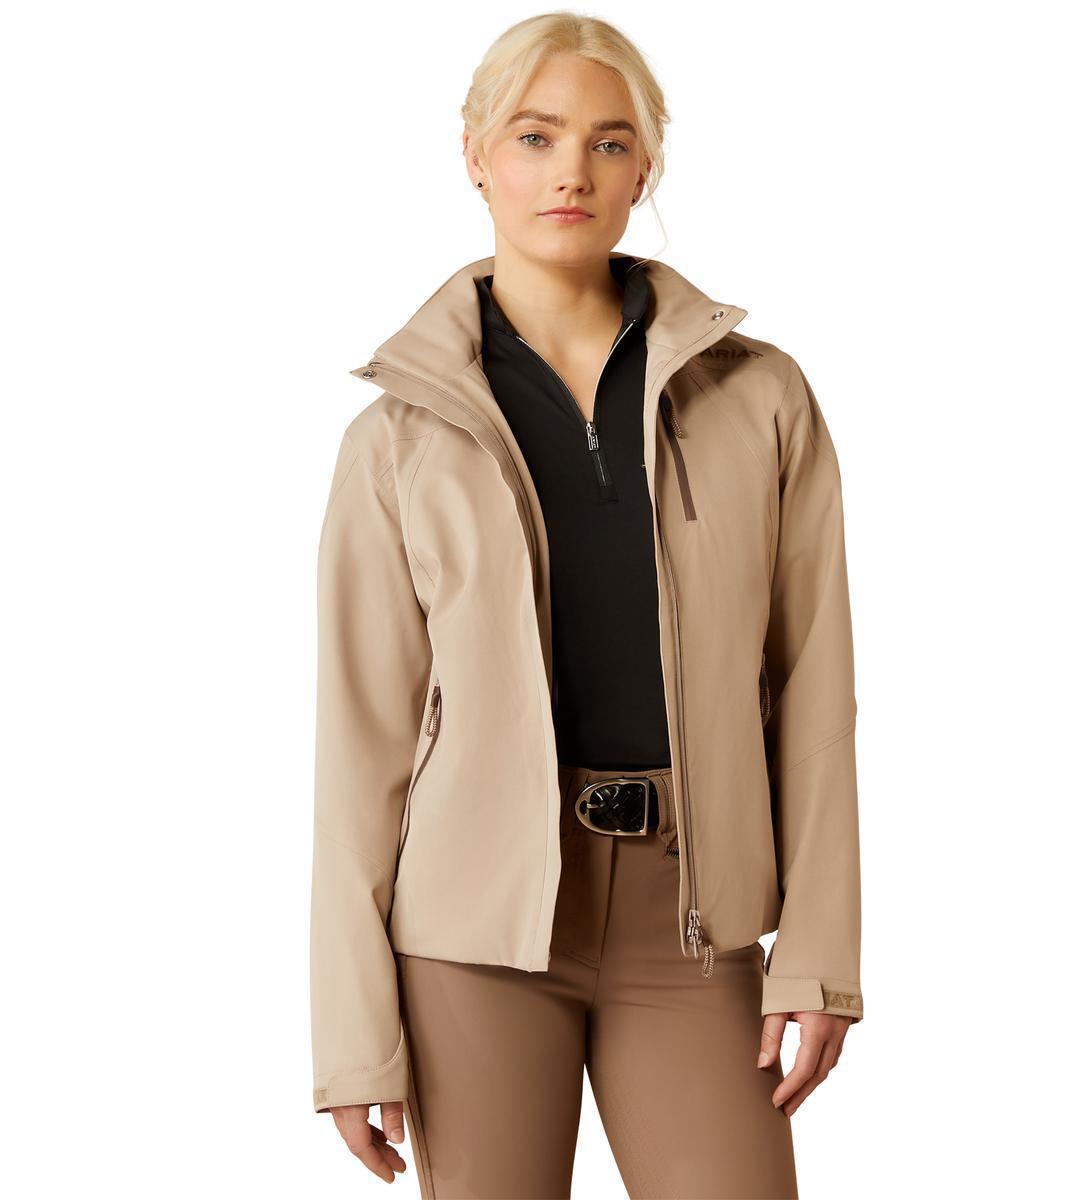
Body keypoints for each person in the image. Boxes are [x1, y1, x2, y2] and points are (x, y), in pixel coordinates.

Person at [309, 13, 864, 1198]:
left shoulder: (759, 398)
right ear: (474, 154)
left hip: (695, 918)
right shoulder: (398, 440)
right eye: (535, 135)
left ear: (643, 168)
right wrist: (353, 1027)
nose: (571, 170)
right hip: (474, 935)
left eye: (609, 142)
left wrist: (817, 954)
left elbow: (814, 687)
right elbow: (361, 749)